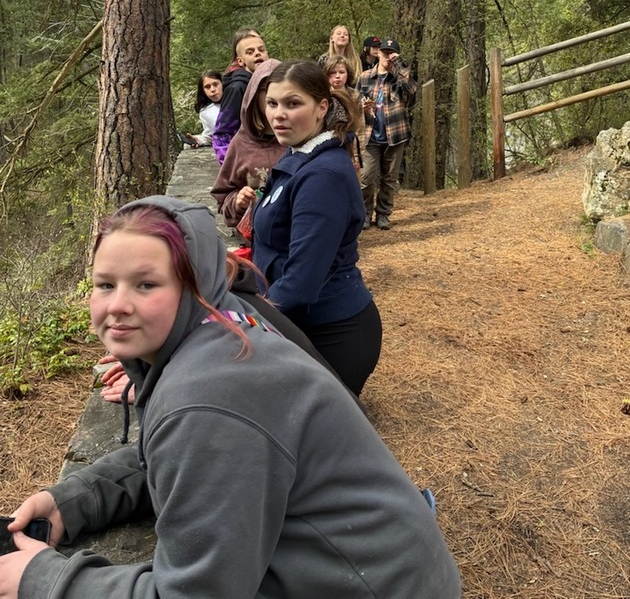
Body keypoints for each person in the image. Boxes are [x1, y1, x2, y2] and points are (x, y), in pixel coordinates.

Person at [0, 197, 461, 599]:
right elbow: (186, 461)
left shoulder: (209, 392)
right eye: (105, 284)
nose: (118, 304)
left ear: (192, 287)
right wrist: (78, 498)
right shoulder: (220, 324)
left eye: (146, 285)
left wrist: (44, 582)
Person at [252, 60, 381, 395]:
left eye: (293, 104)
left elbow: (300, 284)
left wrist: (235, 325)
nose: (279, 114)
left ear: (322, 107)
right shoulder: (299, 154)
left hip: (331, 335)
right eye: (272, 103)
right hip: (302, 326)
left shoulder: (323, 176)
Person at [211, 58, 286, 229]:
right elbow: (224, 196)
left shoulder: (301, 139)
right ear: (252, 94)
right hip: (257, 240)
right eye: (263, 90)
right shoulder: (242, 142)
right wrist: (238, 201)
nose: (270, 96)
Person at [356, 37, 417, 230]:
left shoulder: (399, 79)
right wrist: (362, 107)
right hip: (370, 134)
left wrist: (398, 63)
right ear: (378, 53)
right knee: (366, 178)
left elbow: (412, 89)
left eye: (392, 54)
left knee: (389, 179)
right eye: (384, 53)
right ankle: (365, 213)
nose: (387, 57)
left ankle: (383, 214)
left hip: (395, 135)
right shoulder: (365, 77)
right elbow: (355, 102)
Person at [212, 28, 269, 163]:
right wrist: (230, 167)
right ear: (240, 61)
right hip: (246, 160)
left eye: (261, 50)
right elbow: (222, 133)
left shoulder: (270, 82)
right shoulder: (237, 88)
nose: (257, 54)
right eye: (250, 52)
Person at [324, 56, 364, 174]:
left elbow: (360, 126)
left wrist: (356, 155)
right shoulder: (322, 95)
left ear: (348, 74)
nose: (337, 76)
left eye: (341, 72)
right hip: (328, 145)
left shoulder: (354, 96)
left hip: (350, 146)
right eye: (333, 72)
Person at [179, 69, 223, 148]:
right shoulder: (206, 112)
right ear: (203, 91)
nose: (212, 90)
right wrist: (197, 140)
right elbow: (211, 136)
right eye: (207, 87)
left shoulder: (237, 100)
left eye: (215, 84)